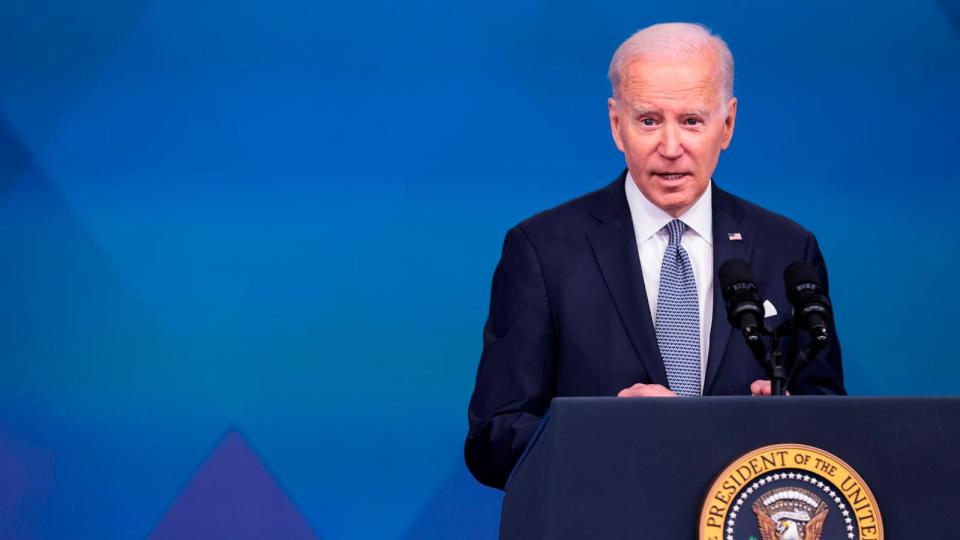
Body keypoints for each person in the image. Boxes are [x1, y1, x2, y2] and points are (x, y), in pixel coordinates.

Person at [464, 22, 845, 490]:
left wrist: (791, 425)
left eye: (691, 121)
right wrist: (607, 435)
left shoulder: (788, 250)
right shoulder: (543, 251)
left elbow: (832, 424)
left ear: (726, 125)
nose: (670, 148)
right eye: (648, 120)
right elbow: (492, 438)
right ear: (616, 124)